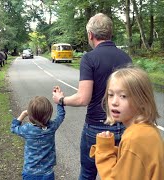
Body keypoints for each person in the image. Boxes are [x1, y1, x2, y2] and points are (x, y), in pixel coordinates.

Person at [52, 13, 132, 180]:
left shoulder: (89, 59)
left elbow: (83, 98)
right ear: (110, 33)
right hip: (124, 127)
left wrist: (61, 99)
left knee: (88, 173)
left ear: (90, 35)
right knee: (120, 174)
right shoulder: (126, 58)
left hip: (97, 127)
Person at [89, 67, 164, 180]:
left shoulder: (134, 138)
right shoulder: (148, 129)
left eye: (123, 96)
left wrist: (104, 151)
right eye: (110, 94)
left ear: (142, 100)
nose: (114, 102)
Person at [11, 94, 65, 179]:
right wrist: (60, 102)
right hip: (48, 173)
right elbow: (60, 116)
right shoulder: (52, 126)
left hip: (30, 173)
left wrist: (23, 114)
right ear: (49, 113)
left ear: (31, 115)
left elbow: (13, 128)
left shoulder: (27, 129)